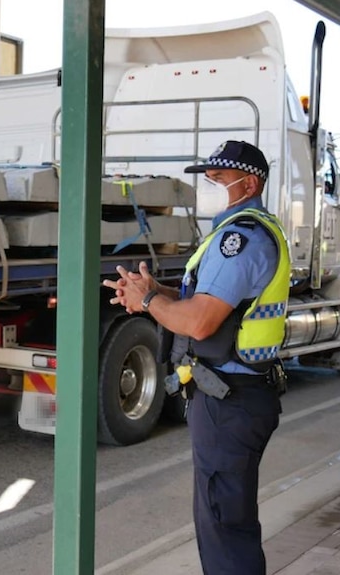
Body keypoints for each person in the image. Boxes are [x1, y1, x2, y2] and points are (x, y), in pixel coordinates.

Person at [103, 140, 291, 575]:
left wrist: (150, 302)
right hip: (237, 398)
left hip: (230, 401)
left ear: (249, 184)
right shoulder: (245, 230)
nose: (209, 185)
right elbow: (212, 302)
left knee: (225, 529)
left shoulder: (239, 239)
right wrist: (149, 294)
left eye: (219, 179)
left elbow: (202, 322)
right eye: (208, 178)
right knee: (225, 520)